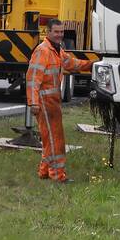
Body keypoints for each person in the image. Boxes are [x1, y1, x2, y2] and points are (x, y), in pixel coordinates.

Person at [26, 19, 91, 183]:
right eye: (56, 31)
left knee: (50, 138)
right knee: (55, 140)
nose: (59, 35)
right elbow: (33, 79)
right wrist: (33, 103)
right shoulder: (43, 51)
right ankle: (57, 176)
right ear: (47, 32)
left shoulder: (57, 50)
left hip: (52, 102)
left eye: (61, 32)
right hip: (44, 101)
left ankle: (45, 172)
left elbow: (71, 63)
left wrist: (92, 65)